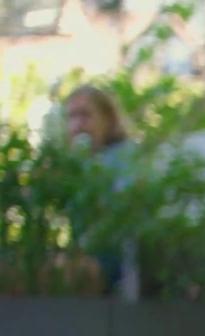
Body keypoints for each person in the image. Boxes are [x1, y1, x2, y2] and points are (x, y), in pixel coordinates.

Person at [59, 84, 137, 296]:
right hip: (83, 256)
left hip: (118, 262)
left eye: (85, 115)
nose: (77, 125)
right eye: (71, 117)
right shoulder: (71, 165)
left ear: (108, 120)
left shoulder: (124, 156)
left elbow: (124, 209)